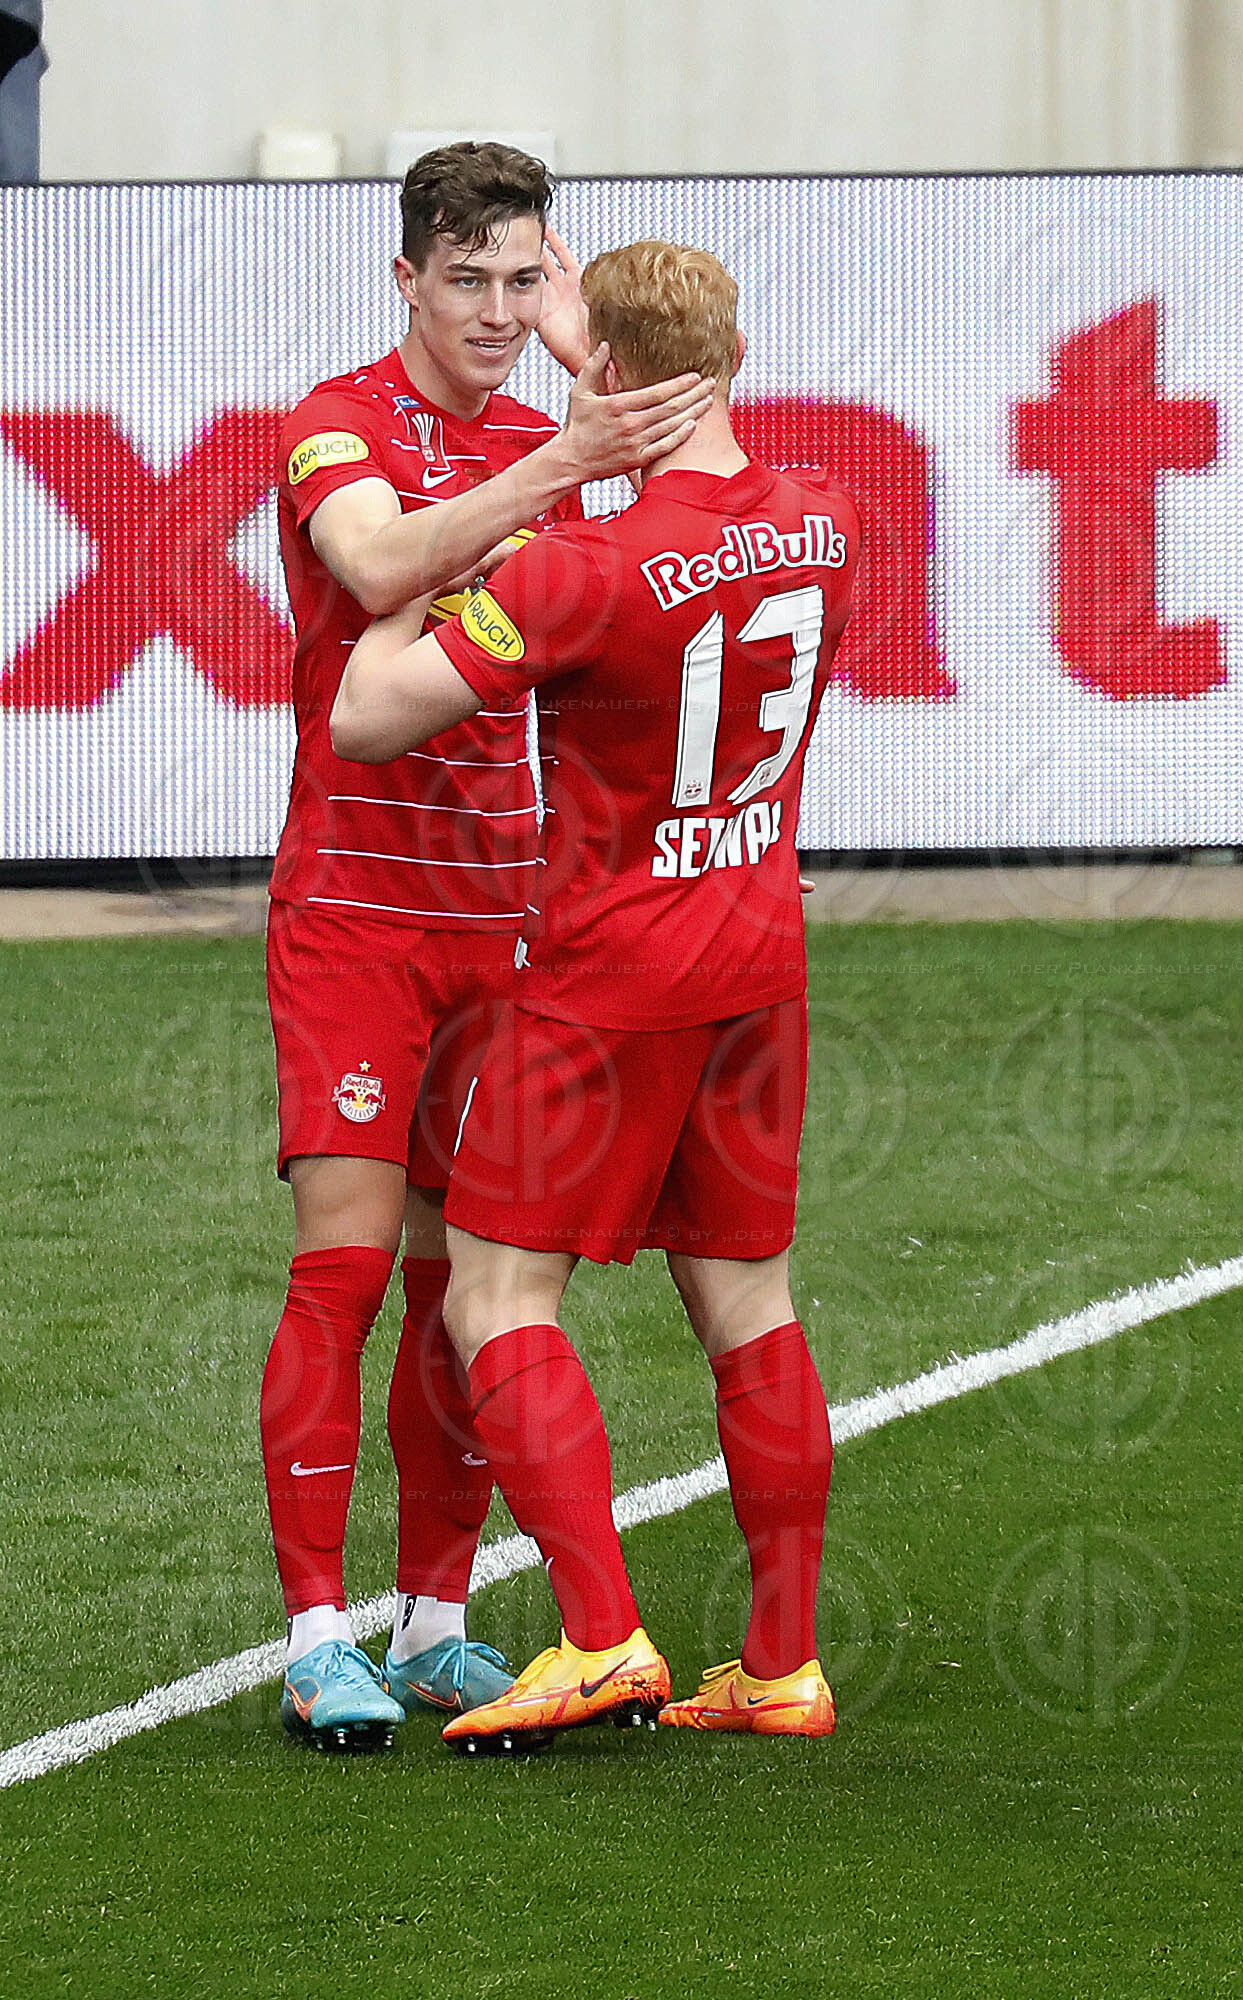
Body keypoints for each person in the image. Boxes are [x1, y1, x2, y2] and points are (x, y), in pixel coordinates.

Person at [330, 239, 860, 1753]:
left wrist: (439, 558)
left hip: (608, 975)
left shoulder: (582, 570)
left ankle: (600, 1633)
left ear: (609, 375)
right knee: (748, 1302)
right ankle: (779, 1665)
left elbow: (370, 718)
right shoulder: (830, 522)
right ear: (733, 355)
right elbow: (706, 517)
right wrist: (606, 374)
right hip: (759, 964)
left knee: (499, 1292)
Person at [266, 143, 712, 1751]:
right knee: (345, 1270)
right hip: (360, 918)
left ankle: (437, 1617)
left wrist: (598, 366)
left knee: (471, 1280)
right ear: (407, 281)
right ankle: (318, 1634)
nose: (495, 312)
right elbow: (379, 564)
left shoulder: (555, 417)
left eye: (526, 281)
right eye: (466, 281)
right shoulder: (339, 419)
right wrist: (561, 456)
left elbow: (728, 499)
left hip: (510, 914)